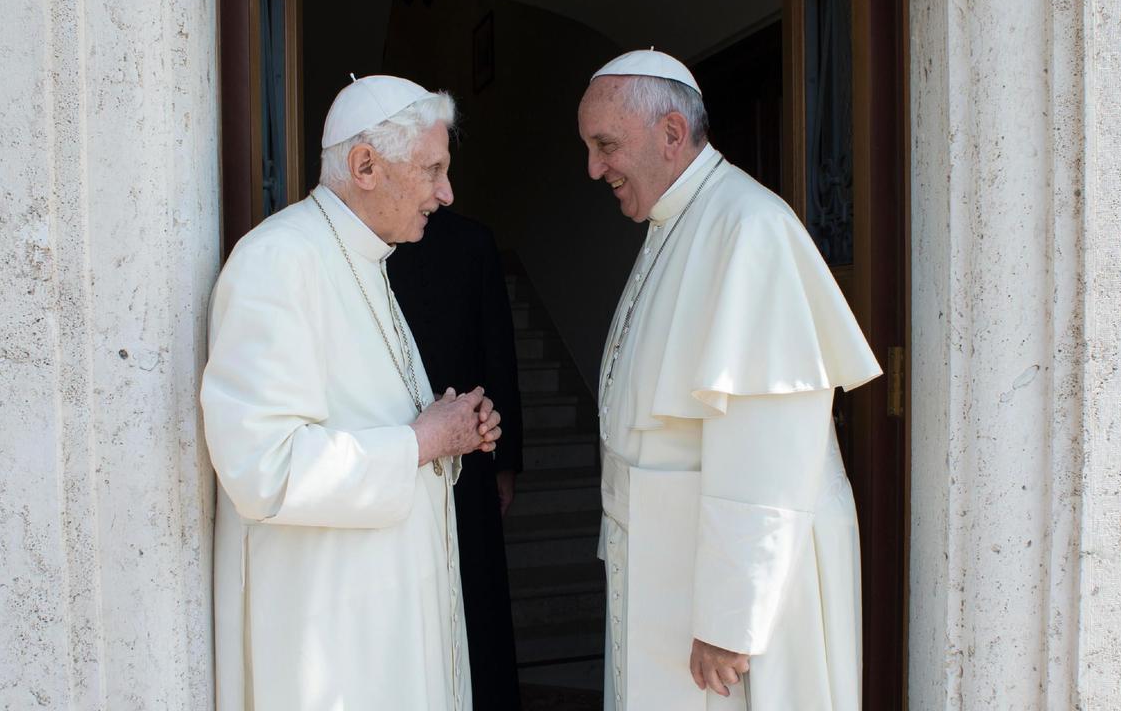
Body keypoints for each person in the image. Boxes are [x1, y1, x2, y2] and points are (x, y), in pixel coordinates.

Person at [577, 50, 882, 710]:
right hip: (670, 560)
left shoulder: (749, 228)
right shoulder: (678, 222)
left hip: (739, 596)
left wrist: (729, 619)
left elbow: (768, 446)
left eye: (605, 147)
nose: (594, 168)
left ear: (670, 134)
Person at [201, 75, 502, 711]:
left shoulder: (363, 259)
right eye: (432, 171)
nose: (445, 194)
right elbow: (264, 468)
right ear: (365, 165)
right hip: (331, 639)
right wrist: (423, 441)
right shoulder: (279, 260)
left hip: (381, 622)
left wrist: (450, 430)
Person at [388, 209, 524, 711]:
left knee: (478, 595)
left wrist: (503, 460)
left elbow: (497, 352)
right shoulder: (365, 245)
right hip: (394, 456)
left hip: (471, 451)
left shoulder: (474, 240)